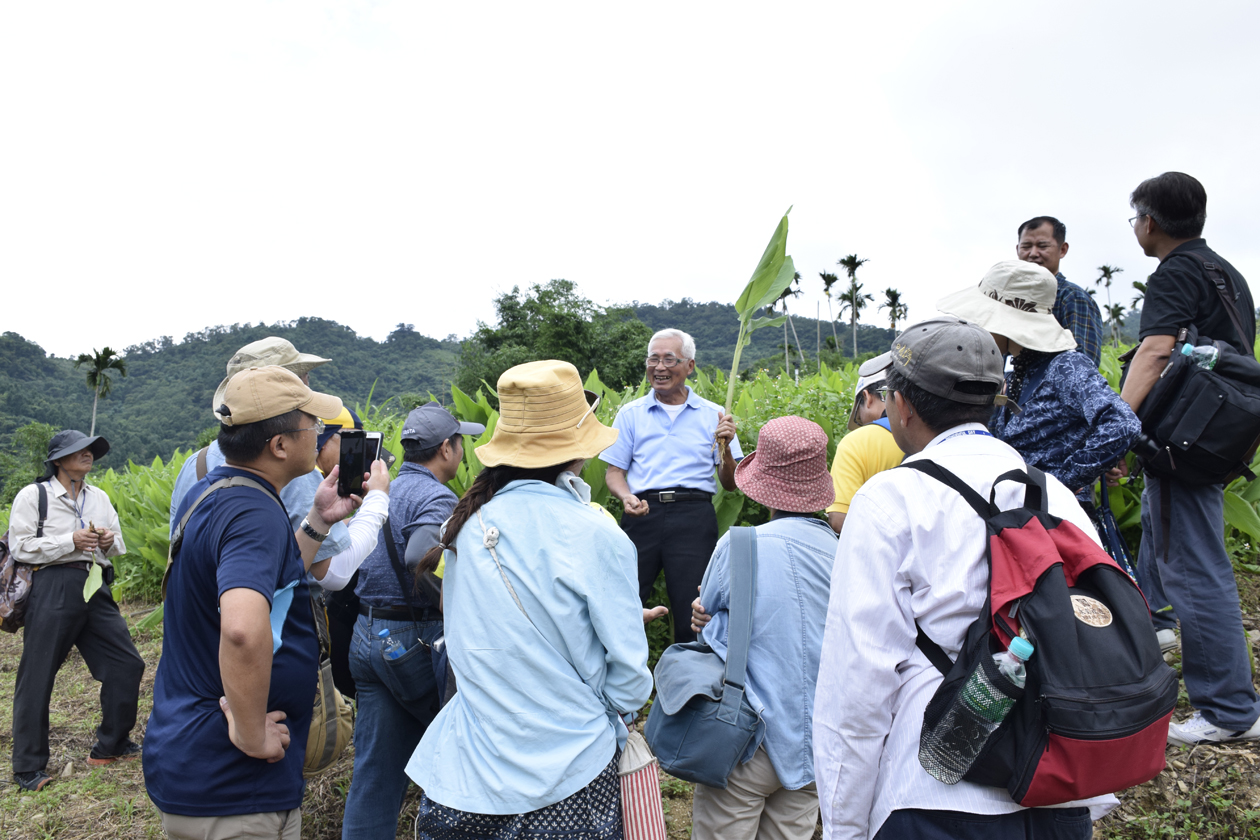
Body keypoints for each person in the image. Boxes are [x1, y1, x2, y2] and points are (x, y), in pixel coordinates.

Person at [813, 317, 1115, 840]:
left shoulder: (890, 500)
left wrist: (845, 828)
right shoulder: (1053, 495)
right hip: (1055, 793)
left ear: (902, 406)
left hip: (934, 795)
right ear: (994, 401)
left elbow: (856, 687)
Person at [406, 360, 653, 839]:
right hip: (568, 773)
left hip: (464, 773)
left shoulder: (464, 527)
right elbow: (628, 678)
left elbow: (464, 638)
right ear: (577, 450)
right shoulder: (596, 531)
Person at [143, 366, 373, 839]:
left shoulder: (219, 492)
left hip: (202, 768)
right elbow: (243, 629)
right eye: (313, 426)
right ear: (280, 445)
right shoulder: (253, 514)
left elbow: (273, 583)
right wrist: (251, 733)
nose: (321, 436)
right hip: (232, 786)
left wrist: (318, 520)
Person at [1119, 172, 1260, 746]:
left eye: (1135, 218)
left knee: (1195, 570)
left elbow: (1154, 352)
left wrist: (1118, 426)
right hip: (1213, 434)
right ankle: (1162, 632)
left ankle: (1228, 709)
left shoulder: (1174, 272)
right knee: (1165, 542)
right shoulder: (1225, 271)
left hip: (1184, 444)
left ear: (1149, 221)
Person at [686, 416, 838, 840]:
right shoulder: (842, 551)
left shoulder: (740, 544)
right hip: (814, 740)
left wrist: (707, 616)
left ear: (762, 484)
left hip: (745, 735)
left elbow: (709, 613)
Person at [339, 401, 483, 840]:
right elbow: (419, 552)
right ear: (446, 448)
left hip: (368, 635)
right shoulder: (435, 495)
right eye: (461, 444)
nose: (462, 453)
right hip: (411, 639)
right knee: (454, 754)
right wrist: (454, 604)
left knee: (376, 771)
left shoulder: (386, 490)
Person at [8, 431, 146, 792]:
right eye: (78, 451)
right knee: (38, 674)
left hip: (94, 584)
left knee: (127, 664)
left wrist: (104, 541)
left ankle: (111, 745)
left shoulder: (98, 497)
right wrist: (69, 540)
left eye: (90, 451)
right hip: (52, 585)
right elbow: (21, 547)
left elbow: (117, 543)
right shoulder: (34, 495)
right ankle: (27, 767)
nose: (87, 455)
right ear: (57, 460)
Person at [938, 261, 1140, 500]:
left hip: (1055, 521)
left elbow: (1123, 424)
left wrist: (1060, 483)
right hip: (1025, 516)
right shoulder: (1020, 372)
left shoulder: (1065, 366)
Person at [603, 328, 743, 643]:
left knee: (692, 609)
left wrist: (727, 446)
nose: (660, 367)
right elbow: (614, 473)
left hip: (694, 515)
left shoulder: (714, 415)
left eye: (670, 359)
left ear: (690, 366)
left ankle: (692, 682)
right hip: (642, 513)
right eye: (653, 359)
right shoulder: (631, 414)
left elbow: (730, 484)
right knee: (621, 602)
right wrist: (626, 497)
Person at [169, 336, 352, 564]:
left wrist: (319, 520)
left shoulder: (196, 464)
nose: (316, 428)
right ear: (279, 445)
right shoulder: (280, 483)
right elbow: (332, 573)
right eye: (304, 383)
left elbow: (278, 575)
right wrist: (376, 506)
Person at [308, 406, 390, 700]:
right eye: (349, 439)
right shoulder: (306, 481)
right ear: (323, 438)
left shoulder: (199, 463)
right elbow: (335, 572)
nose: (353, 453)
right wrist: (378, 499)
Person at [826, 352, 903, 534]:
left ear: (867, 397)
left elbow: (839, 520)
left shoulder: (856, 443)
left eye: (859, 418)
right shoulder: (933, 431)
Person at [1016, 216, 1104, 366]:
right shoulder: (1011, 298)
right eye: (1026, 246)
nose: (1033, 253)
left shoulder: (1072, 297)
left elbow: (1082, 366)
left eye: (1042, 246)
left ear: (1062, 250)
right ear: (1017, 249)